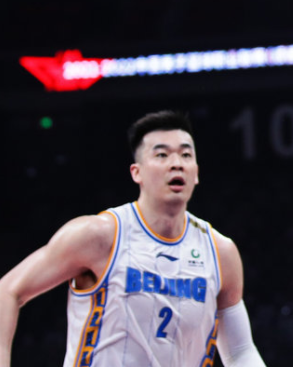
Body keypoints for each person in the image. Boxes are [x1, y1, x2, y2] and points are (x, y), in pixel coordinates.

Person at [0, 110, 266, 367]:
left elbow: (240, 353)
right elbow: (8, 290)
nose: (176, 163)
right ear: (136, 172)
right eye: (162, 155)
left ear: (196, 172)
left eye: (186, 155)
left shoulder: (220, 252)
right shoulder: (98, 235)